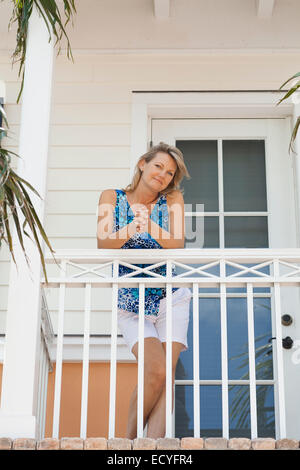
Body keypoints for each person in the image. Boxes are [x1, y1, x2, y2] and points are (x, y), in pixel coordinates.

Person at [97, 142, 191, 439]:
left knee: (167, 376)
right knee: (155, 370)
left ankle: (154, 449)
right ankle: (126, 445)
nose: (163, 175)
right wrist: (133, 227)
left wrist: (147, 223)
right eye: (158, 166)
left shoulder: (172, 199)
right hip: (131, 299)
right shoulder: (111, 197)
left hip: (171, 295)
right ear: (142, 164)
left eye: (169, 172)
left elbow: (176, 244)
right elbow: (104, 242)